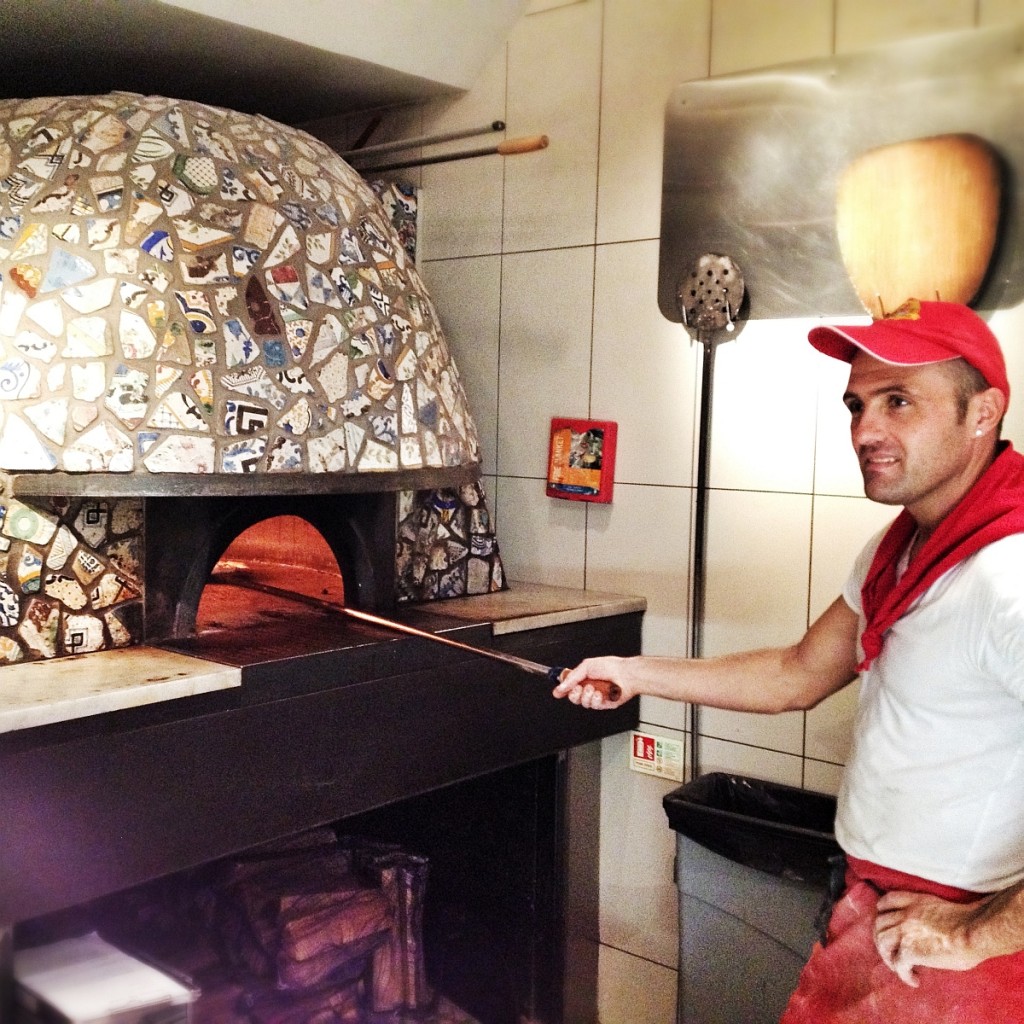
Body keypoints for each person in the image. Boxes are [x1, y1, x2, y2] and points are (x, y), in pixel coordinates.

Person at [553, 298, 1024, 1021]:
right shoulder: (901, 547)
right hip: (872, 905)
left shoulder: (1009, 572)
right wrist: (633, 671)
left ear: (984, 411)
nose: (866, 431)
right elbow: (798, 673)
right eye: (857, 405)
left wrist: (973, 933)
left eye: (900, 402)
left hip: (951, 948)